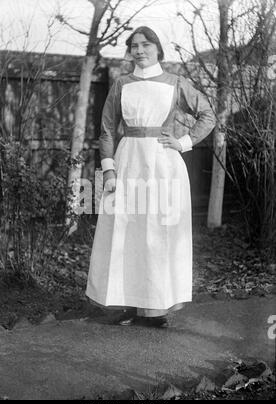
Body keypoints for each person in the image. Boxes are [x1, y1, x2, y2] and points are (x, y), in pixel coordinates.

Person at [85, 26, 216, 327]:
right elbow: (106, 130)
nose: (140, 50)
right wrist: (109, 170)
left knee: (158, 232)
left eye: (146, 45)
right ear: (129, 51)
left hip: (163, 165)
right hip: (127, 161)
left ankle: (156, 307)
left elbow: (207, 115)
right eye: (134, 46)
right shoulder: (121, 84)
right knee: (125, 231)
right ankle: (126, 302)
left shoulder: (176, 83)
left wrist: (183, 143)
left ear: (158, 48)